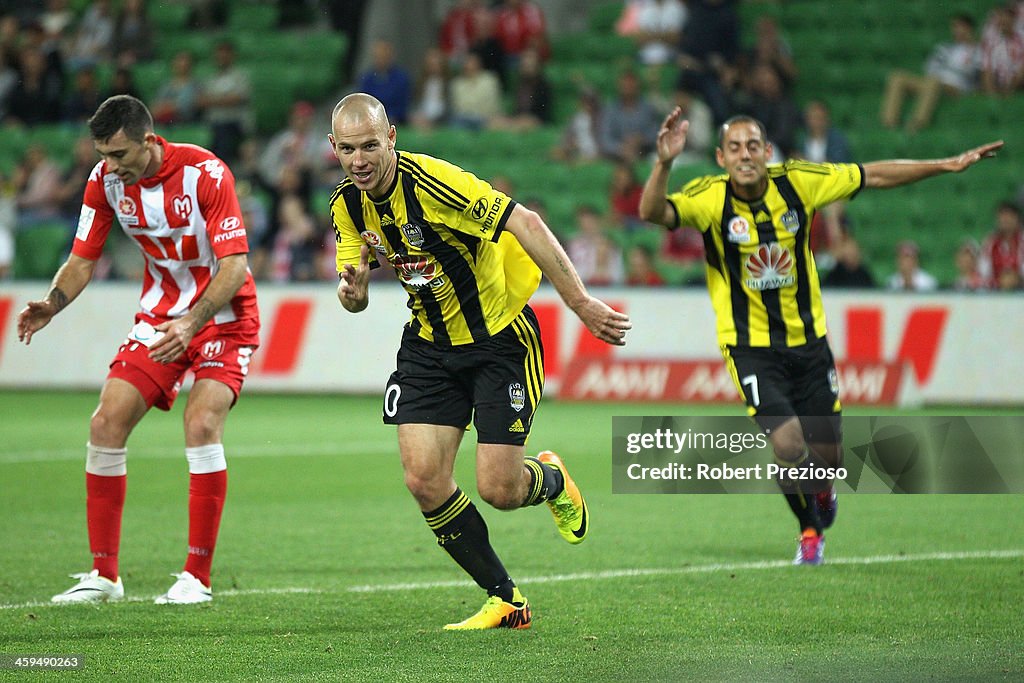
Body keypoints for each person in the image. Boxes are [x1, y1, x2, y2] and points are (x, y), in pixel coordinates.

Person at [637, 109, 1001, 565]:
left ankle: (823, 487)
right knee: (787, 443)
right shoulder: (708, 197)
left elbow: (875, 175)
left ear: (767, 153)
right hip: (749, 348)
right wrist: (664, 163)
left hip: (809, 343)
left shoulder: (799, 182)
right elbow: (651, 212)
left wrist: (945, 165)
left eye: (753, 146)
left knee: (826, 457)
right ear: (720, 156)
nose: (745, 155)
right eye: (734, 148)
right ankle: (809, 530)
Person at [328, 93, 630, 629]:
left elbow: (528, 223)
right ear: (334, 148)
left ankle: (552, 481)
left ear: (391, 137)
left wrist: (581, 302)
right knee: (423, 480)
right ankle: (505, 597)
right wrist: (353, 292)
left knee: (500, 490)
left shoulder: (434, 184)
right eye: (348, 149)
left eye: (370, 145)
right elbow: (355, 291)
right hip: (428, 346)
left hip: (499, 342)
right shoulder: (346, 205)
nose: (360, 160)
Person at [16, 95, 260, 605]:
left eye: (120, 155)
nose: (111, 166)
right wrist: (52, 304)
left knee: (201, 422)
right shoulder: (103, 182)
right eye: (103, 154)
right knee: (105, 423)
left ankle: (197, 577)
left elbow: (234, 264)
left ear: (149, 141)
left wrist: (193, 322)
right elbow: (82, 258)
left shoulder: (206, 173)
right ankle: (104, 576)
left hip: (222, 317)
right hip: (159, 316)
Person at [880, 14, 981, 133]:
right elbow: (930, 67)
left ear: (969, 29)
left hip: (956, 87)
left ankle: (917, 123)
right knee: (897, 77)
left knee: (934, 81)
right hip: (934, 83)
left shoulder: (976, 50)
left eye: (960, 27)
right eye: (954, 27)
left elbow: (972, 74)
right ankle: (889, 123)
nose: (956, 30)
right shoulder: (945, 48)